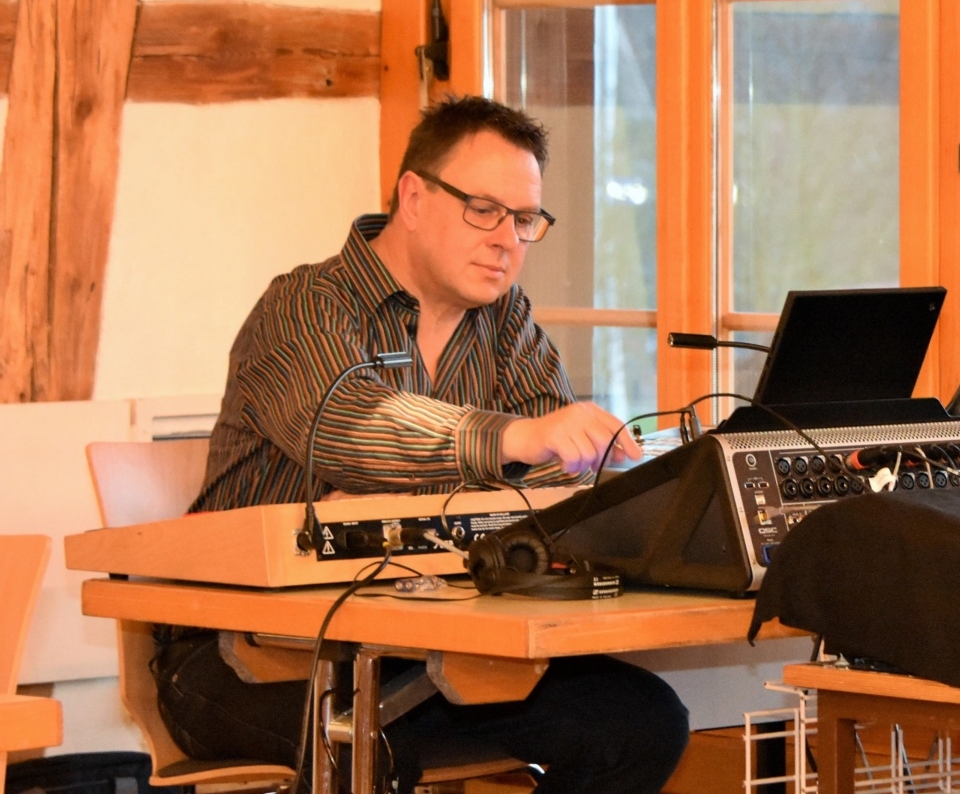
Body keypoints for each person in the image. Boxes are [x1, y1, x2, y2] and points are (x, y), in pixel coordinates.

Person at [154, 95, 690, 794]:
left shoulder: (506, 322)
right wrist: (513, 439)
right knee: (370, 745)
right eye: (484, 210)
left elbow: (552, 487)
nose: (507, 240)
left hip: (433, 641)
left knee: (642, 722)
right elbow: (349, 426)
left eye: (525, 219)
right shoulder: (304, 304)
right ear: (413, 196)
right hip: (242, 655)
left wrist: (562, 462)